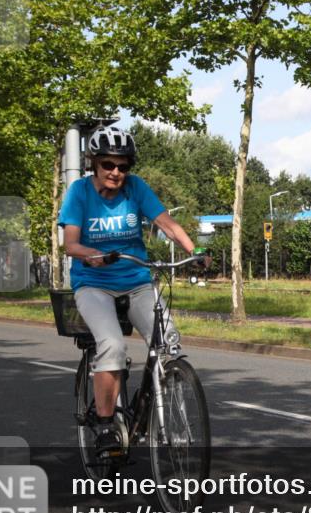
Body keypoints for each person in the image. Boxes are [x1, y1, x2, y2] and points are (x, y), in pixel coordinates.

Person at [58, 126, 204, 458]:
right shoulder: (79, 192)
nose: (116, 172)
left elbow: (166, 223)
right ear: (94, 163)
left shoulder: (136, 188)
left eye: (123, 166)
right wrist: (90, 255)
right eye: (108, 165)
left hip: (137, 280)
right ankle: (107, 424)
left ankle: (169, 419)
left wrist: (193, 251)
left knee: (168, 340)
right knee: (111, 344)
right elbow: (70, 243)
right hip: (94, 283)